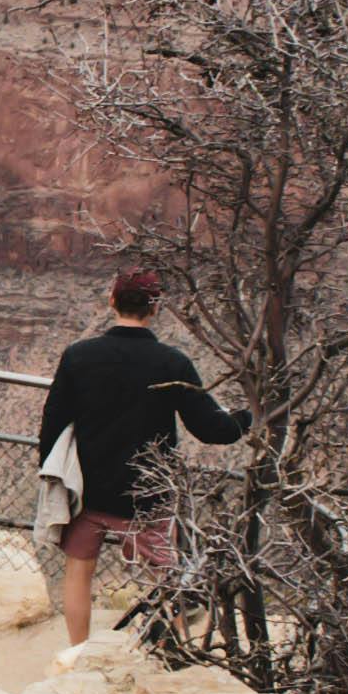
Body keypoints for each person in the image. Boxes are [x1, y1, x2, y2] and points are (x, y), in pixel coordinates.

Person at [35, 263, 251, 657]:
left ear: (112, 300)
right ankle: (179, 652)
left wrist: (55, 480)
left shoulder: (79, 356)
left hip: (88, 491)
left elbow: (52, 424)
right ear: (155, 309)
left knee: (79, 573)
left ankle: (78, 655)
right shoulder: (172, 363)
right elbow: (210, 429)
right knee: (168, 578)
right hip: (148, 495)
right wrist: (248, 416)